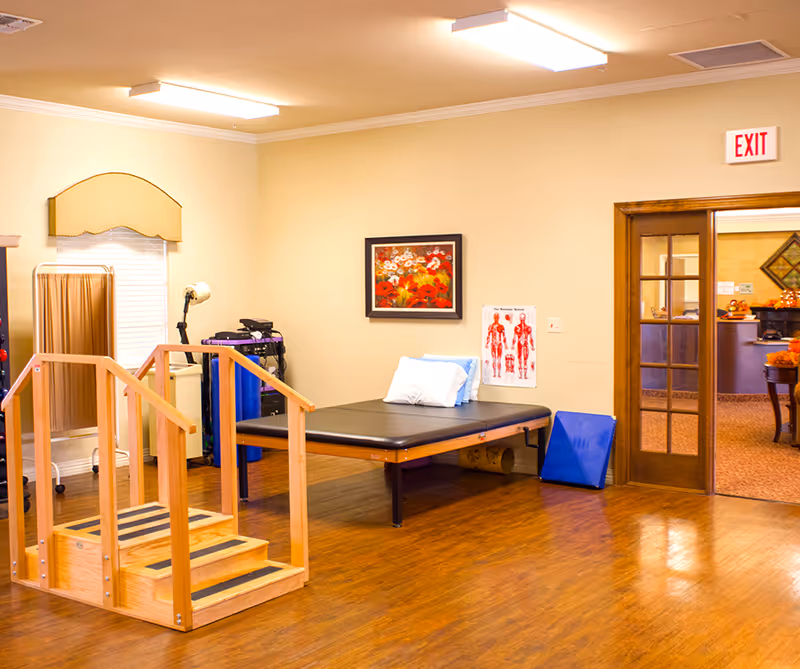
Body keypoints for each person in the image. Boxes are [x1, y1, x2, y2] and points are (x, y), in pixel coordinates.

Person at [512, 312, 535, 379]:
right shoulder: (517, 327)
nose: (522, 319)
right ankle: (520, 374)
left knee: (525, 360)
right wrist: (513, 345)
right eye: (521, 318)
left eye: (523, 318)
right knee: (519, 359)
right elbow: (514, 337)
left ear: (525, 318)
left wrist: (532, 345)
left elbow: (531, 337)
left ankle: (524, 375)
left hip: (525, 344)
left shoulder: (528, 328)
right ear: (519, 318)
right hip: (519, 343)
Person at [485, 312, 507, 378]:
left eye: (497, 317)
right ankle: (494, 373)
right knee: (494, 359)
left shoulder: (501, 326)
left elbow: (504, 336)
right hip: (493, 344)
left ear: (498, 318)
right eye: (495, 317)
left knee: (499, 359)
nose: (496, 318)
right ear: (494, 318)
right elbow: (488, 336)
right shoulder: (491, 326)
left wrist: (505, 344)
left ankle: (499, 374)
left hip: (499, 343)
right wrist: (487, 343)